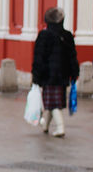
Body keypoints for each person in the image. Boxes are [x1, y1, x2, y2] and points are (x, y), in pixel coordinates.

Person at [32, 7, 79, 137]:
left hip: (48, 75)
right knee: (50, 102)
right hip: (63, 75)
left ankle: (60, 128)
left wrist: (36, 76)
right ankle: (45, 126)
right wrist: (74, 73)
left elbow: (38, 57)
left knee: (53, 104)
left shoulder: (44, 35)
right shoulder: (67, 35)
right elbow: (72, 56)